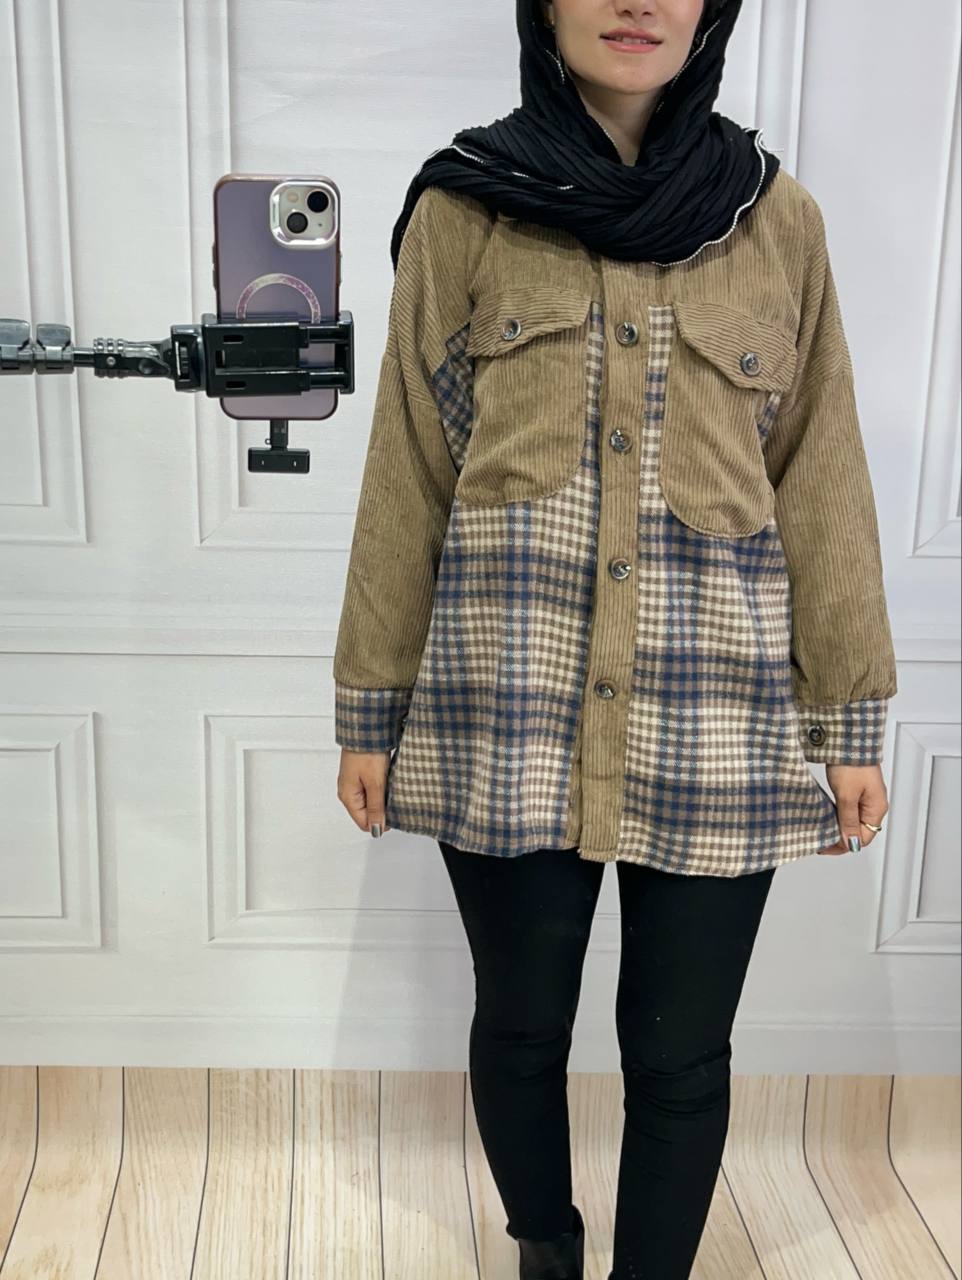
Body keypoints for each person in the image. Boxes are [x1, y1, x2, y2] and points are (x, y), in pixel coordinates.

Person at [333, 1, 898, 1277]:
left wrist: (848, 719)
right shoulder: (465, 211)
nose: (636, 2)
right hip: (506, 709)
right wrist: (371, 704)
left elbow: (821, 477)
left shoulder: (777, 221)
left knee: (680, 1052)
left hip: (716, 717)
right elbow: (406, 473)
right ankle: (543, 1242)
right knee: (519, 1024)